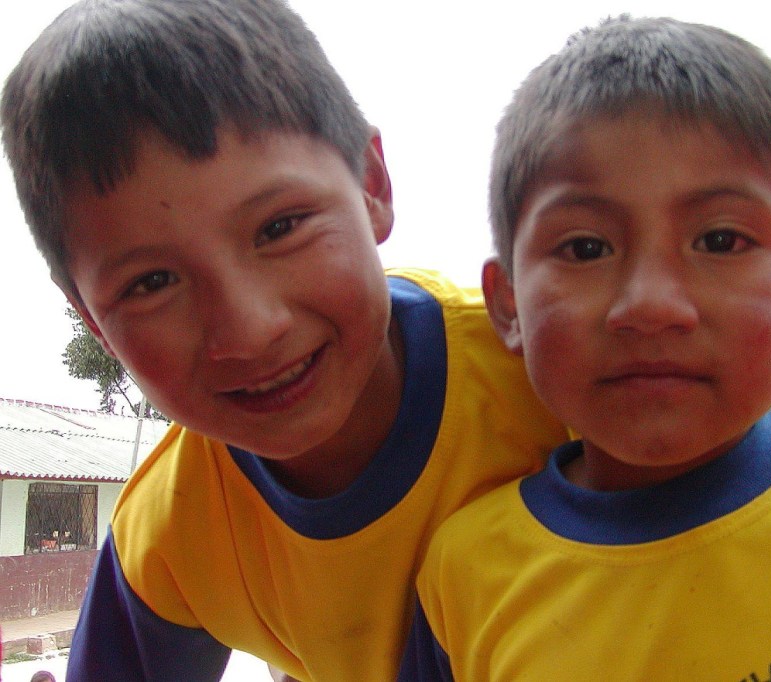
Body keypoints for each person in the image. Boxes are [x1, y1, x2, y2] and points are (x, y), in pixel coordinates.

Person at [0, 1, 567, 680]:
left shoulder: (556, 381)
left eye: (280, 227)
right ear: (93, 321)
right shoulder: (173, 536)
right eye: (152, 283)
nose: (249, 330)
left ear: (372, 186)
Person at [398, 15, 771, 681]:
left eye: (720, 240)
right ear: (509, 305)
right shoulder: (465, 577)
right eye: (585, 248)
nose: (651, 305)